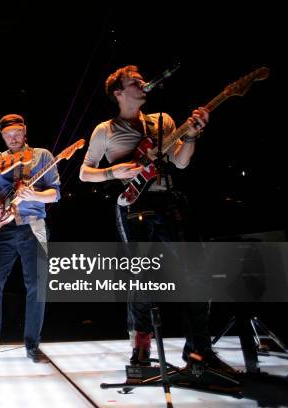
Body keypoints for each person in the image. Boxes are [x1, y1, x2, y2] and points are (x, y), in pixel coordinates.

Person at [78, 65, 234, 371]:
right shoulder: (105, 130)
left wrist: (190, 135)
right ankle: (142, 350)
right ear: (118, 93)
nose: (142, 83)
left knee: (197, 274)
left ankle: (198, 353)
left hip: (169, 202)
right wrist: (113, 171)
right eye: (133, 81)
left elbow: (181, 162)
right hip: (133, 205)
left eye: (141, 78)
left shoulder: (162, 121)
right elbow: (85, 172)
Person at [0, 114, 60, 369]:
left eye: (17, 132)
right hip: (3, 228)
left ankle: (33, 346)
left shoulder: (42, 156)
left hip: (33, 225)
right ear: (2, 136)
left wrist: (36, 194)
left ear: (25, 130)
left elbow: (55, 194)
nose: (13, 138)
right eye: (8, 134)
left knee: (37, 285)